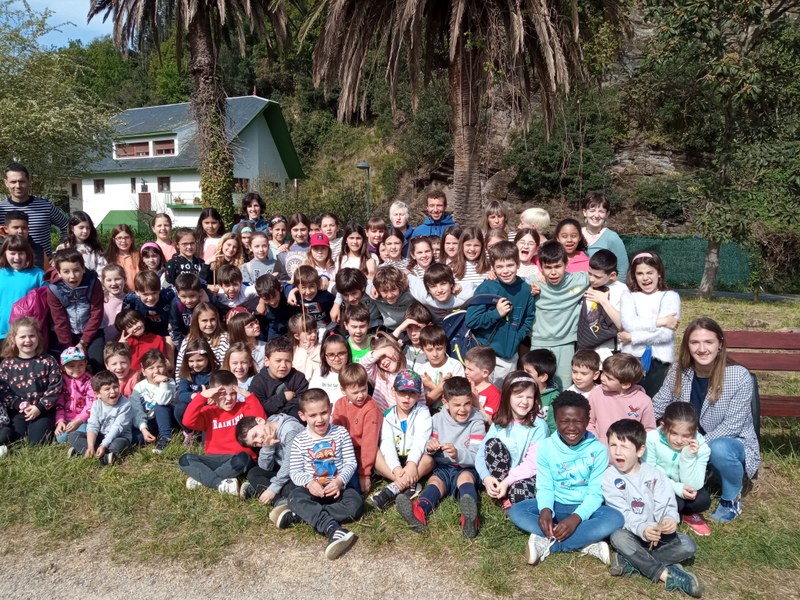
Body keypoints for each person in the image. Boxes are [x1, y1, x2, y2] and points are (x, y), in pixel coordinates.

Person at [652, 317, 760, 523]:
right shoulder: (678, 371)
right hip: (685, 440)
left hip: (728, 442)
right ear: (687, 346)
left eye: (708, 342)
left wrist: (695, 445)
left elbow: (732, 426)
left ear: (720, 344)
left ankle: (731, 498)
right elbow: (658, 405)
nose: (702, 349)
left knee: (720, 448)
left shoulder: (738, 376)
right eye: (695, 343)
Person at [508, 391, 624, 566]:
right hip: (556, 504)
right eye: (564, 421)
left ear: (587, 420)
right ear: (555, 420)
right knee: (517, 511)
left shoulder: (598, 450)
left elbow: (595, 494)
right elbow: (545, 486)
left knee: (615, 518)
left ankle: (551, 544)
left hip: (587, 509)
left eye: (578, 421)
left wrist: (576, 518)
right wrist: (546, 509)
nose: (571, 427)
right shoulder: (546, 447)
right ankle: (586, 541)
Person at [602, 419, 702, 597]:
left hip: (658, 537)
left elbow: (667, 504)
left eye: (624, 447)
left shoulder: (655, 474)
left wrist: (669, 520)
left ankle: (630, 561)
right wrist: (642, 528)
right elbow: (622, 513)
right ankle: (667, 575)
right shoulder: (609, 477)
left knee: (688, 545)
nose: (617, 451)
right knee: (618, 537)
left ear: (640, 450)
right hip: (632, 533)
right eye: (613, 445)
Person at [271, 388, 364, 561]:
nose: (319, 419)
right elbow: (296, 471)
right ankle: (332, 528)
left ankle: (301, 514)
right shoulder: (299, 440)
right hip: (313, 490)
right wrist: (308, 483)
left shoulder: (341, 433)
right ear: (303, 415)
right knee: (294, 497)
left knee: (356, 505)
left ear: (330, 408)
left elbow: (351, 462)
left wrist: (340, 481)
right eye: (312, 415)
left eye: (323, 413)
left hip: (338, 488)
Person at [395, 377, 486, 539]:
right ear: (445, 402)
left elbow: (477, 455)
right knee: (435, 482)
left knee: (465, 479)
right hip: (443, 467)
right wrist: (429, 447)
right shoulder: (437, 419)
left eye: (467, 403)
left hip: (467, 467)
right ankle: (420, 511)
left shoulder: (477, 421)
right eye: (457, 405)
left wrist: (457, 453)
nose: (463, 409)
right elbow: (428, 442)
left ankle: (470, 517)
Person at [180, 370, 266, 495]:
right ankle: (219, 483)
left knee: (243, 459)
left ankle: (204, 479)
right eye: (222, 394)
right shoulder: (208, 412)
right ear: (213, 395)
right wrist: (202, 396)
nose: (229, 399)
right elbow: (188, 421)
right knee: (185, 459)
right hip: (215, 459)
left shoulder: (244, 408)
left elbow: (261, 420)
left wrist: (248, 396)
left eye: (232, 394)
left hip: (239, 459)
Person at [465, 241, 535, 384]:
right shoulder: (486, 287)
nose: (505, 271)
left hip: (509, 355)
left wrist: (517, 336)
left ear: (518, 264)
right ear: (493, 268)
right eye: (500, 267)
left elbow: (528, 317)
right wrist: (496, 313)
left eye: (510, 265)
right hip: (484, 356)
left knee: (504, 396)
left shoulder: (525, 289)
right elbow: (471, 320)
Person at [475, 372, 548, 508]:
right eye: (519, 396)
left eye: (529, 397)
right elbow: (481, 452)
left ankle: (510, 495)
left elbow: (532, 465)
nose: (525, 401)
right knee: (492, 445)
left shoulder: (539, 426)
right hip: (503, 475)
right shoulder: (499, 422)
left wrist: (508, 482)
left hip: (528, 475)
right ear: (507, 397)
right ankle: (500, 489)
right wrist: (486, 477)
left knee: (520, 494)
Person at [530, 240, 590, 390]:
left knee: (563, 387)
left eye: (558, 266)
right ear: (541, 267)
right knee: (536, 388)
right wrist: (491, 274)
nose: (553, 272)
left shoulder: (580, 280)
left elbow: (605, 274)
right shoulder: (533, 283)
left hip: (566, 343)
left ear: (566, 264)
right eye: (548, 267)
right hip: (539, 342)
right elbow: (510, 284)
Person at [645, 403, 712, 537]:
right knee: (676, 501)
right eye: (674, 433)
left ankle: (686, 514)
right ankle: (670, 513)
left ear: (694, 431)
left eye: (686, 436)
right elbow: (650, 471)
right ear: (664, 427)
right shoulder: (652, 438)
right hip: (659, 485)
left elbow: (695, 485)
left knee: (702, 501)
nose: (679, 440)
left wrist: (688, 457)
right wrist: (677, 488)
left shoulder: (702, 448)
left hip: (686, 486)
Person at [620, 252, 681, 397]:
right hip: (631, 359)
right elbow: (629, 324)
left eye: (650, 272)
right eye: (640, 273)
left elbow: (665, 335)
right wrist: (660, 321)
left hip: (659, 362)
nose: (645, 278)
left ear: (659, 273)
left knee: (654, 403)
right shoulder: (628, 296)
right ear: (634, 275)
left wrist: (633, 338)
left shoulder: (670, 296)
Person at [370, 370, 432, 510]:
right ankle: (407, 483)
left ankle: (393, 489)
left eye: (412, 393)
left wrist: (411, 464)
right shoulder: (388, 416)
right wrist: (396, 468)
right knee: (375, 454)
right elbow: (387, 444)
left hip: (416, 459)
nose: (407, 397)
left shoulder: (423, 412)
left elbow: (420, 440)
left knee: (429, 460)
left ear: (418, 395)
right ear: (393, 391)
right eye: (402, 392)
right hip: (395, 460)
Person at [0, 318, 62, 450]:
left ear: (38, 337)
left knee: (36, 444)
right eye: (22, 337)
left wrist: (39, 407)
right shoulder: (7, 364)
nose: (28, 340)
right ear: (13, 339)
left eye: (32, 336)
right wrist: (18, 404)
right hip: (18, 410)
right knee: (14, 440)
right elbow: (3, 390)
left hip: (43, 410)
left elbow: (55, 388)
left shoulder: (48, 361)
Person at [46, 248, 106, 372]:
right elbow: (59, 320)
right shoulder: (53, 289)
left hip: (91, 331)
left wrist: (83, 343)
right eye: (66, 272)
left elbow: (96, 314)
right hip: (66, 334)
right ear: (58, 272)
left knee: (98, 362)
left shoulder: (93, 283)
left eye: (77, 270)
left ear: (83, 269)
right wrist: (69, 347)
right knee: (63, 363)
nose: (72, 276)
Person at [332, 363, 383, 494]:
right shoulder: (339, 404)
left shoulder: (371, 409)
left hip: (361, 454)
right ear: (343, 390)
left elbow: (369, 443)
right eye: (355, 392)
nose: (360, 395)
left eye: (364, 389)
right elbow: (335, 434)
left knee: (353, 488)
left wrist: (364, 474)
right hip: (344, 454)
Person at [587, 353, 656, 447]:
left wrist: (635, 448)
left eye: (609, 378)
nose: (602, 378)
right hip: (600, 452)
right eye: (603, 373)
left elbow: (649, 430)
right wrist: (596, 443)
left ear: (625, 384)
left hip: (629, 454)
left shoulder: (644, 401)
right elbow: (588, 422)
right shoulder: (596, 394)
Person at [0, 162, 69, 256]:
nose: (18, 186)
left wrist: (61, 251)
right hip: (10, 266)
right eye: (13, 182)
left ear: (29, 182)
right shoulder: (1, 209)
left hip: (42, 265)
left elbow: (67, 226)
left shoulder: (45, 206)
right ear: (6, 183)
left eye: (22, 181)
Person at [236, 412, 304, 505]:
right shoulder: (267, 435)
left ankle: (263, 490)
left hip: (301, 471)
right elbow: (265, 468)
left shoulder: (290, 430)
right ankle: (278, 500)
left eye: (255, 435)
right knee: (254, 473)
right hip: (285, 471)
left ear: (260, 421)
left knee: (294, 488)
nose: (259, 441)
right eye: (255, 444)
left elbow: (291, 463)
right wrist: (268, 448)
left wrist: (274, 488)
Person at [67, 370, 131, 466]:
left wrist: (104, 445)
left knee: (118, 444)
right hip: (100, 436)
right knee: (73, 435)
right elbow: (93, 426)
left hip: (118, 436)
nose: (113, 391)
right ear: (97, 394)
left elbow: (117, 428)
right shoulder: (96, 404)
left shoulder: (125, 404)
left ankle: (99, 456)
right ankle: (91, 451)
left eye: (115, 387)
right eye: (107, 389)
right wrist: (91, 445)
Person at [577, 249, 625, 363]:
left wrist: (604, 301)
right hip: (585, 350)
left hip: (609, 352)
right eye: (590, 273)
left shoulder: (621, 290)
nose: (592, 279)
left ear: (612, 275)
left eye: (597, 277)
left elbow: (623, 325)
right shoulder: (585, 284)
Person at [128, 349, 176, 453]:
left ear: (165, 366)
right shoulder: (139, 387)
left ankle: (165, 438)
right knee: (137, 438)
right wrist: (143, 429)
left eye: (160, 366)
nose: (156, 371)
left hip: (167, 419)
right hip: (150, 421)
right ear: (144, 371)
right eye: (151, 368)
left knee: (160, 407)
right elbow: (137, 410)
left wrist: (163, 382)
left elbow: (163, 401)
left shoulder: (170, 382)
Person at [250, 336, 308, 420]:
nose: (283, 365)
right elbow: (260, 409)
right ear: (266, 361)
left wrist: (277, 412)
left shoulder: (299, 378)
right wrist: (283, 397)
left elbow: (301, 405)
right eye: (278, 361)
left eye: (287, 361)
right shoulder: (258, 382)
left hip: (293, 422)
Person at [0, 235, 43, 341]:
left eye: (21, 253)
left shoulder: (38, 275)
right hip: (2, 333)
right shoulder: (1, 273)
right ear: (5, 253)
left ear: (27, 254)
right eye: (12, 253)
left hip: (27, 335)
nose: (17, 257)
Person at [582, 191, 629, 283]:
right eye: (592, 211)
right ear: (585, 212)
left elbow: (623, 271)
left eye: (601, 211)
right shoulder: (576, 235)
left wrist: (611, 292)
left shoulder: (612, 238)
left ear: (607, 214)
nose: (596, 215)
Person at [54, 346, 95, 444]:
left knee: (83, 432)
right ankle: (75, 443)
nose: (76, 369)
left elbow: (91, 405)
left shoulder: (90, 381)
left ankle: (77, 445)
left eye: (80, 364)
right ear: (63, 367)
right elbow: (59, 403)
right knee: (60, 438)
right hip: (67, 419)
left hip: (84, 420)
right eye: (71, 366)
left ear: (85, 363)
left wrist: (79, 420)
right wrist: (60, 421)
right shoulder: (62, 381)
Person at [519, 349, 560, 433]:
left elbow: (554, 427)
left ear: (543, 377)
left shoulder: (554, 398)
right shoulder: (519, 390)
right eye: (523, 370)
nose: (523, 374)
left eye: (528, 371)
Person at [464, 346, 501, 421]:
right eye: (465, 367)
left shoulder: (493, 394)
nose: (465, 372)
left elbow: (489, 421)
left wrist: (476, 402)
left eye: (470, 369)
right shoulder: (464, 384)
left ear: (484, 373)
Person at [105, 224, 139, 291]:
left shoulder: (138, 257)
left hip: (135, 294)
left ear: (131, 239)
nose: (123, 241)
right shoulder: (107, 258)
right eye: (119, 238)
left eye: (126, 237)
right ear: (114, 240)